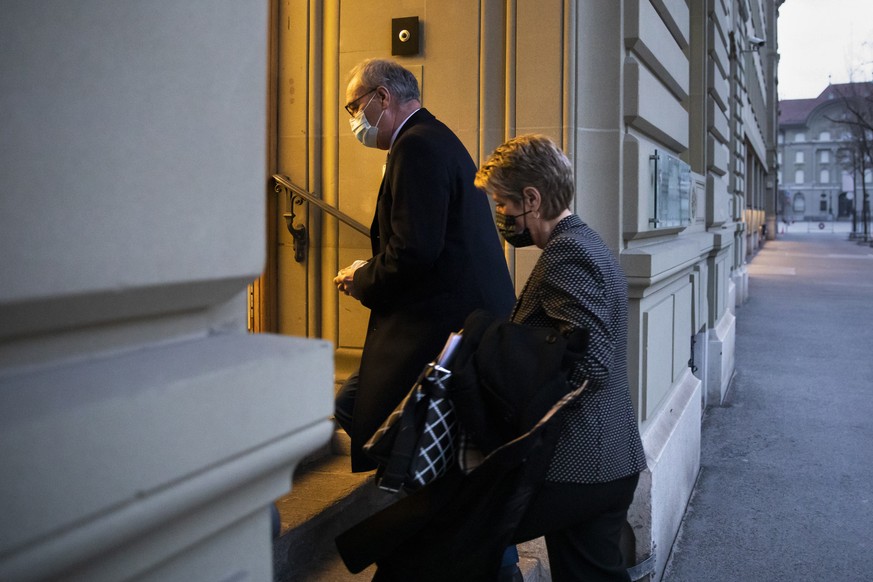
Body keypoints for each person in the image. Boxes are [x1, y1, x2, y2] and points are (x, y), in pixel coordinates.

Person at [473, 134, 648, 581]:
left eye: (502, 204)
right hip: (606, 457)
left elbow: (593, 361)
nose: (501, 217)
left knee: (468, 531)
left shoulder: (568, 253)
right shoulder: (581, 240)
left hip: (583, 465)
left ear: (531, 199)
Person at [333, 58, 516, 473]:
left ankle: (433, 512)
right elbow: (425, 240)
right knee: (362, 409)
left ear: (383, 96)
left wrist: (362, 277)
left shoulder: (415, 144)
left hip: (442, 330)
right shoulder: (432, 137)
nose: (353, 120)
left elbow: (414, 251)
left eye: (353, 107)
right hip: (457, 322)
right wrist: (369, 266)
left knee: (366, 413)